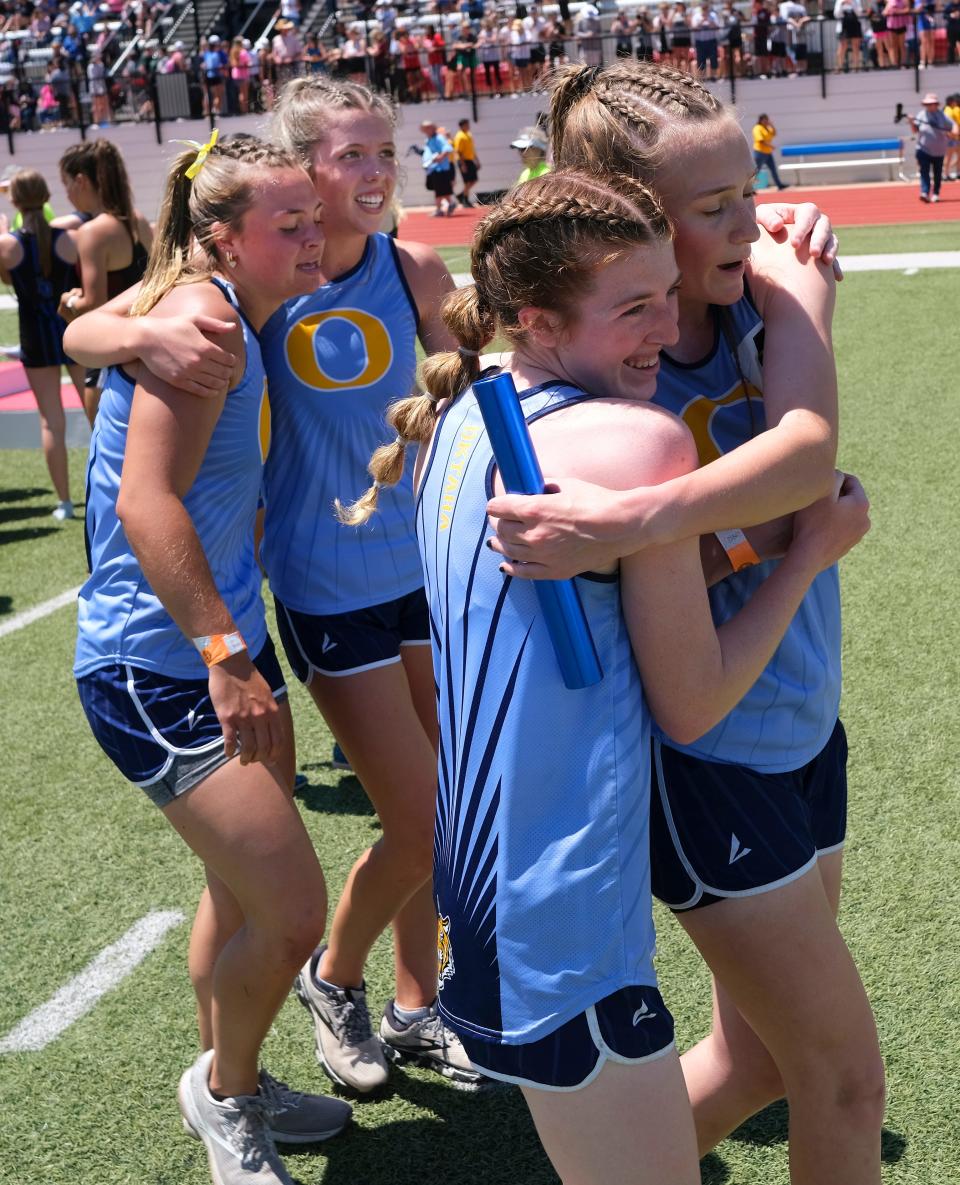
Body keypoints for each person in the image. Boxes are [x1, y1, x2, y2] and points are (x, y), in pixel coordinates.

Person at [338, 167, 869, 1185]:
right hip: (564, 900)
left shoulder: (455, 421)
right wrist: (805, 552)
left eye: (669, 293)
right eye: (633, 306)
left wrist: (735, 547)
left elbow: (584, 612)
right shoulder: (637, 441)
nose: (666, 331)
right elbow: (697, 699)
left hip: (490, 877)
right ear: (534, 318)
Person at [485, 61, 885, 1185]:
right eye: (712, 208)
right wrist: (756, 529)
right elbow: (801, 474)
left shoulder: (755, 300)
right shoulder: (620, 362)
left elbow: (800, 473)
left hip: (802, 719)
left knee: (760, 1060)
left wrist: (804, 301)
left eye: (748, 189)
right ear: (630, 224)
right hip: (711, 758)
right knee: (845, 1077)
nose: (748, 222)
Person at [68, 78, 482, 1096]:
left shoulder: (361, 280)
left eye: (384, 151)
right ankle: (291, 1029)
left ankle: (385, 1015)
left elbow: (472, 384)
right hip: (272, 613)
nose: (375, 173)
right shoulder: (224, 309)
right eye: (349, 159)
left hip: (377, 589)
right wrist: (129, 335)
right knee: (393, 832)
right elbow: (105, 384)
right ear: (294, 180)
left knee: (423, 819)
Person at [67, 132, 350, 1185]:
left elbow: (87, 324)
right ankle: (225, 1095)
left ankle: (235, 1074)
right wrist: (227, 654)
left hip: (219, 642)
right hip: (160, 666)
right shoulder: (206, 324)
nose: (313, 237)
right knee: (290, 914)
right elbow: (148, 503)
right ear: (221, 237)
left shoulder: (225, 308)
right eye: (291, 225)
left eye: (313, 218)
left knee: (239, 895)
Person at [0, 169, 85, 521]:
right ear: (48, 197)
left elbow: (7, 278)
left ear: (14, 200)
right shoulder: (69, 237)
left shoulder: (8, 244)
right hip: (71, 331)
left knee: (51, 422)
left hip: (35, 336)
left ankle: (64, 502)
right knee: (98, 411)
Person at [57, 139, 153, 425]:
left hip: (108, 359)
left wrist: (69, 301)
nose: (68, 195)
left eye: (67, 185)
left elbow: (94, 305)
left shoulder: (93, 232)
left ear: (81, 181)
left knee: (110, 457)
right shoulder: (137, 220)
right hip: (144, 352)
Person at [907, 92, 957, 202]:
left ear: (936, 104)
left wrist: (954, 132)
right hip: (923, 149)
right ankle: (924, 192)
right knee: (924, 171)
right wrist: (911, 122)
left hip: (939, 151)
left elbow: (953, 125)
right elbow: (915, 130)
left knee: (937, 173)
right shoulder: (921, 115)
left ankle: (936, 193)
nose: (929, 106)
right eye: (927, 104)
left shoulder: (942, 116)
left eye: (932, 104)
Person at [421, 118, 458, 217]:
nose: (426, 130)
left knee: (440, 191)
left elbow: (447, 148)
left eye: (428, 128)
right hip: (434, 168)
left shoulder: (439, 138)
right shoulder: (429, 140)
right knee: (442, 190)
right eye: (424, 129)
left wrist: (440, 157)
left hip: (441, 169)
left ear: (433, 128)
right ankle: (450, 204)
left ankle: (440, 209)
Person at [752, 112, 789, 189]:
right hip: (760, 153)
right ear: (761, 120)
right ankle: (749, 187)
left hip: (768, 153)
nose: (766, 121)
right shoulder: (757, 128)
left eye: (767, 120)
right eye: (765, 120)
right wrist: (770, 146)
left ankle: (779, 185)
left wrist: (771, 125)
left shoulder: (767, 128)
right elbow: (760, 140)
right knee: (756, 171)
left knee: (773, 169)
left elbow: (774, 133)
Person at [453, 116, 480, 206]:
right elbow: (459, 152)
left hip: (470, 160)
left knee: (473, 180)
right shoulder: (460, 136)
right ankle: (465, 199)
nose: (468, 126)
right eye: (466, 124)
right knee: (467, 181)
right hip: (463, 161)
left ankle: (461, 196)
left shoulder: (468, 135)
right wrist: (463, 164)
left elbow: (472, 149)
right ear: (462, 126)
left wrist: (477, 160)